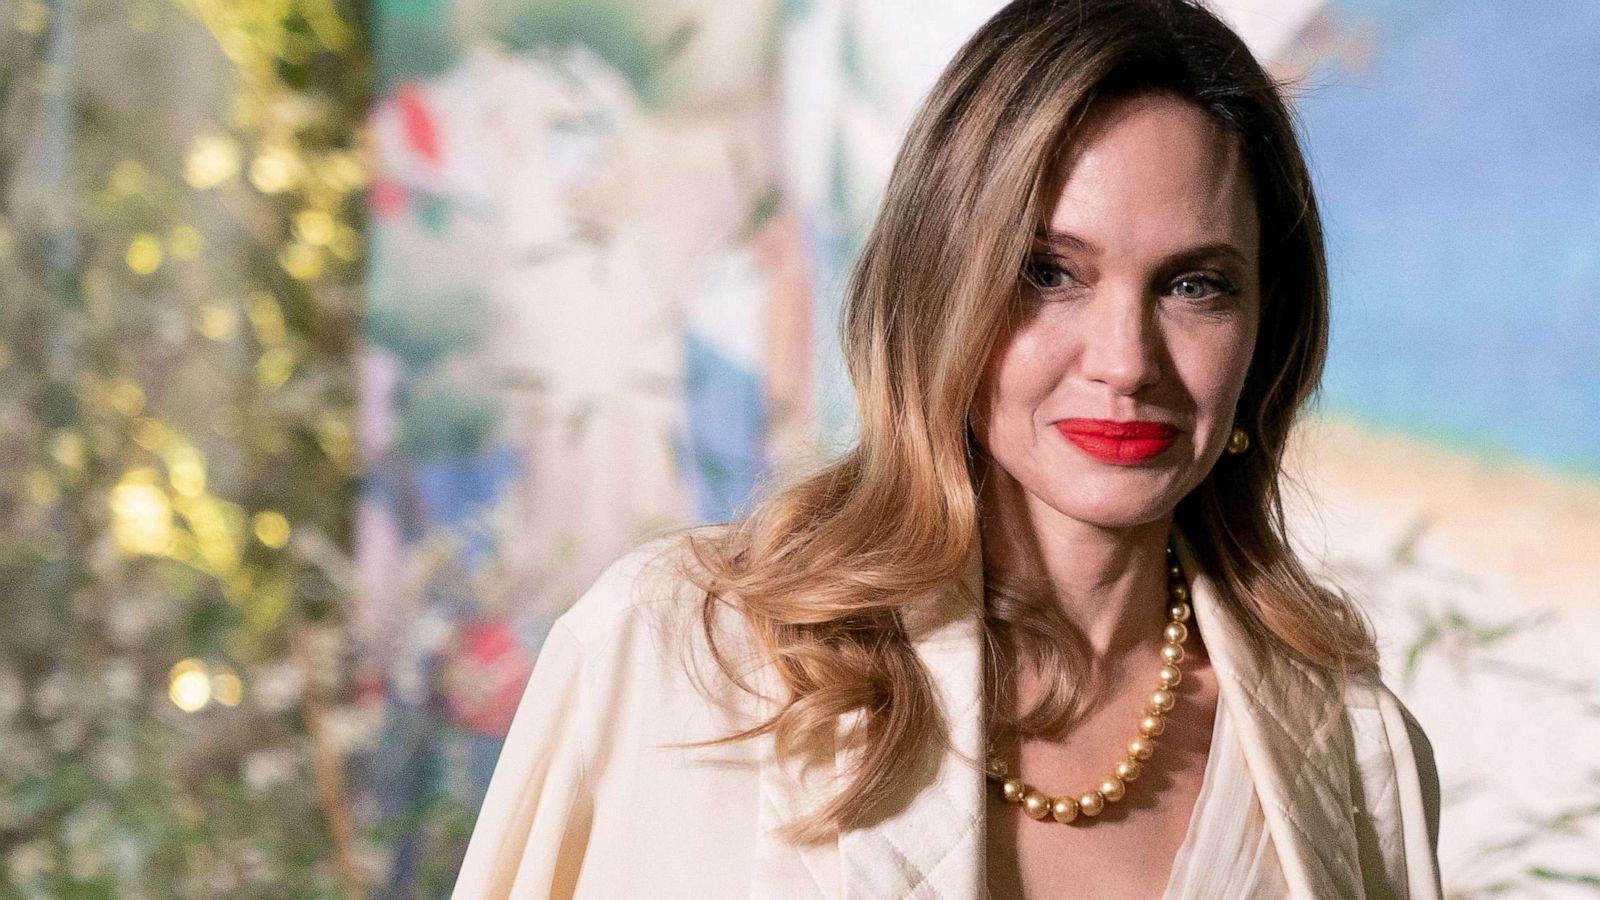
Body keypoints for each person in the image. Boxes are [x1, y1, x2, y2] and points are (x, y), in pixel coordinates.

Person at [451, 0, 1444, 897]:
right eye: (1051, 272)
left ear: (1267, 331)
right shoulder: (678, 654)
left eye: (1195, 285)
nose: (1123, 361)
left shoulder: (1354, 754)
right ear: (941, 288)